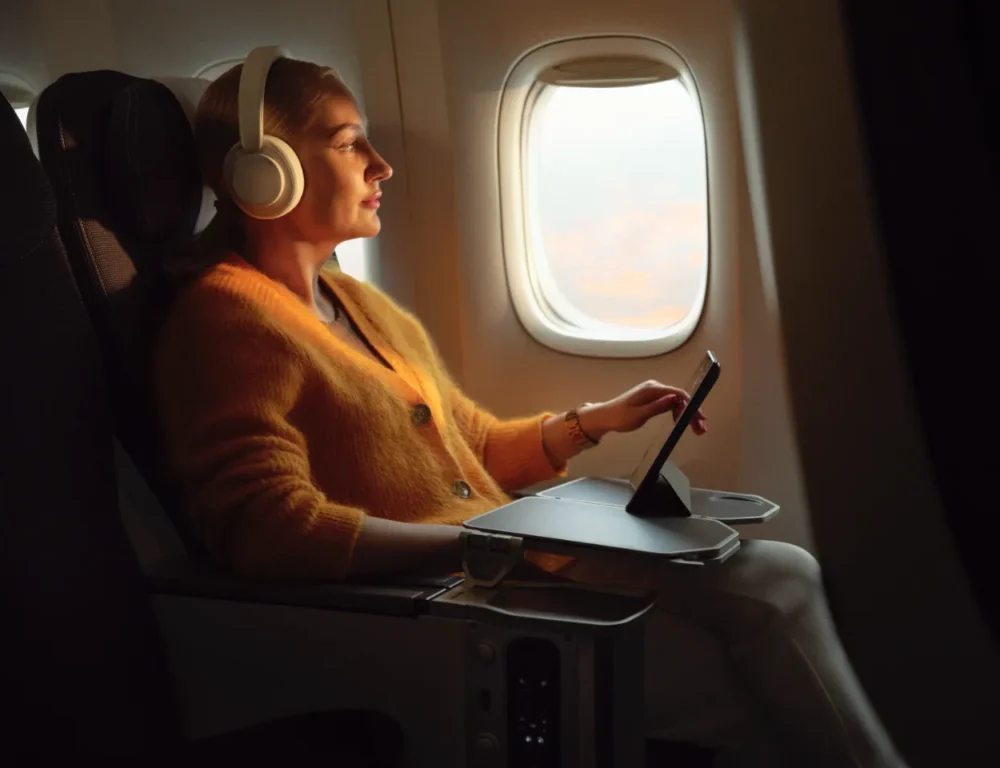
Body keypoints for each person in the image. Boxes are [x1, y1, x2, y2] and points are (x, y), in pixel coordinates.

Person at [154, 54, 906, 767]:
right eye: (353, 145)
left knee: (782, 572)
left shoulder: (349, 300)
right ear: (266, 174)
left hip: (497, 564)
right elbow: (264, 529)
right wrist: (478, 544)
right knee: (761, 660)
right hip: (445, 602)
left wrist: (592, 421)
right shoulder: (226, 321)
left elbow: (466, 448)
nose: (382, 165)